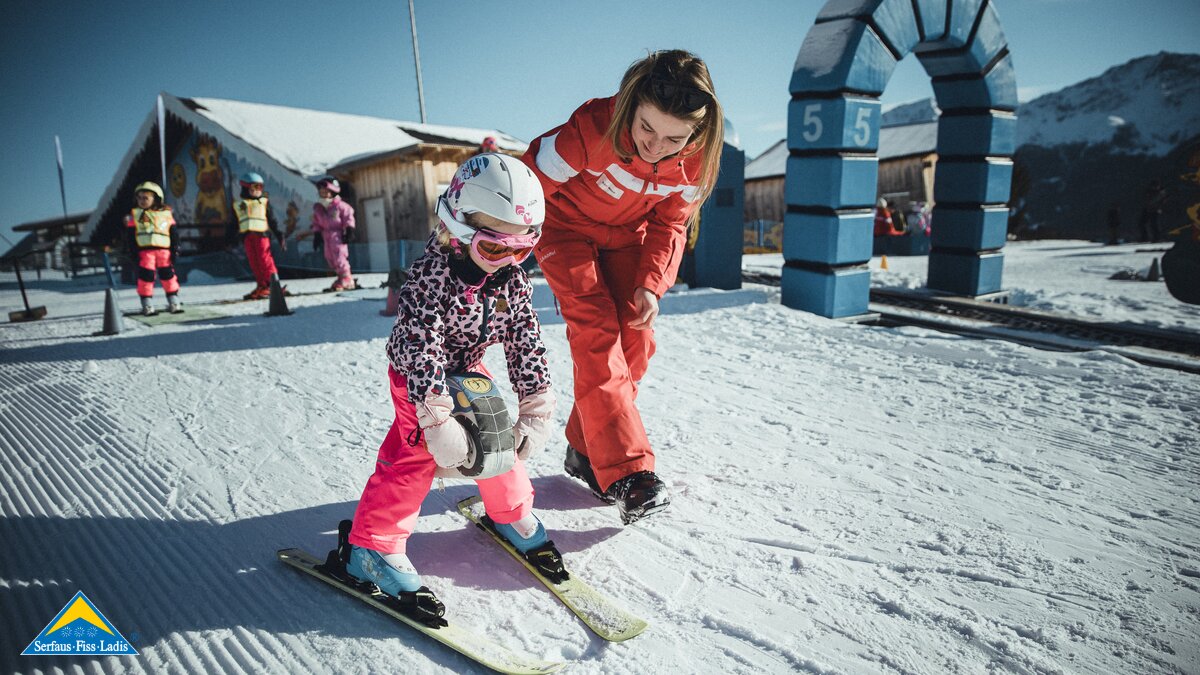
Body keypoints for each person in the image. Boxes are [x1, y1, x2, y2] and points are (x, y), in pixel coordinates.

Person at [520, 49, 724, 524]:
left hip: (625, 240)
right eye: (646, 128)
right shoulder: (591, 129)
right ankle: (628, 472)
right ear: (630, 105)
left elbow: (671, 226)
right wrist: (493, 250)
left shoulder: (694, 165)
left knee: (636, 339)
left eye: (674, 137)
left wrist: (652, 284)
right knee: (596, 331)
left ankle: (586, 447)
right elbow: (525, 188)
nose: (655, 146)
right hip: (565, 230)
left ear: (696, 134)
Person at [346, 153, 559, 606]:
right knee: (415, 454)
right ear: (459, 228)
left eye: (522, 248)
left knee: (498, 438)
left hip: (470, 367)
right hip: (417, 376)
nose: (507, 261)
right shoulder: (430, 276)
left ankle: (510, 513)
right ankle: (372, 546)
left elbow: (524, 338)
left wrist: (535, 403)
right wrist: (436, 418)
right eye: (494, 247)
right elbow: (422, 346)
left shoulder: (512, 281)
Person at [125, 181, 182, 315]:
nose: (141, 201)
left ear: (155, 198)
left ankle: (173, 301)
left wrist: (176, 249)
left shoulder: (166, 214)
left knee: (168, 275)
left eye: (145, 198)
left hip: (164, 252)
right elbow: (130, 235)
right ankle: (147, 304)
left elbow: (173, 233)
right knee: (146, 276)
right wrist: (132, 251)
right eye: (139, 198)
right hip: (146, 252)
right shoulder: (136, 214)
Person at [229, 172, 287, 300]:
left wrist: (280, 235)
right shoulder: (238, 205)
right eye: (254, 188)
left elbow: (272, 220)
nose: (257, 191)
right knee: (254, 262)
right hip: (247, 236)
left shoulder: (263, 202)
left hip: (262, 236)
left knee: (265, 260)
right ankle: (262, 285)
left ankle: (273, 285)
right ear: (245, 188)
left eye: (260, 187)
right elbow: (233, 223)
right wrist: (230, 239)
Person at [300, 177, 357, 291]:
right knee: (330, 257)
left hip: (338, 235)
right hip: (326, 235)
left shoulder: (339, 206)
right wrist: (317, 234)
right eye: (321, 192)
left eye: (326, 192)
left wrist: (349, 230)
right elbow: (316, 222)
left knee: (339, 256)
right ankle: (340, 277)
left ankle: (347, 278)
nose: (323, 194)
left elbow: (348, 216)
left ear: (333, 192)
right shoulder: (319, 208)